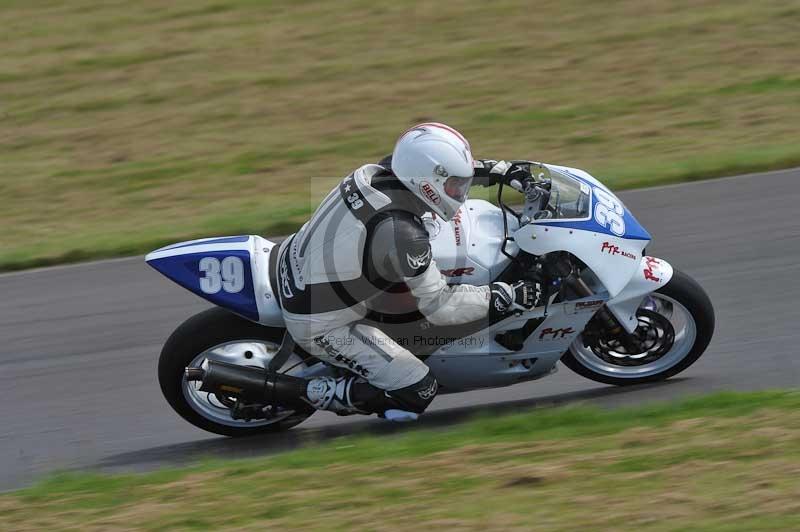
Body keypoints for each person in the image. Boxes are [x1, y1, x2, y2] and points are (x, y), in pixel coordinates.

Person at [275, 122, 541, 421]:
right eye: (455, 185)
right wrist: (504, 295)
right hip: (321, 323)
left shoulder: (386, 172)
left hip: (293, 262)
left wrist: (493, 170)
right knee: (418, 389)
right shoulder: (403, 233)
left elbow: (430, 168)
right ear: (428, 182)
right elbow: (441, 307)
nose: (460, 194)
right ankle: (319, 392)